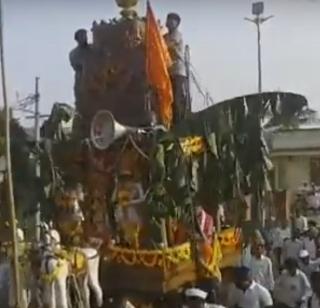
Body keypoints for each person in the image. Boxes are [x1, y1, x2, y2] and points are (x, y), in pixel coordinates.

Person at [164, 13, 189, 124]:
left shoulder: (176, 35)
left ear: (177, 23)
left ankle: (179, 124)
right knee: (169, 99)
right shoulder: (165, 36)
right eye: (168, 19)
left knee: (177, 99)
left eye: (171, 20)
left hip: (178, 72)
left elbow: (167, 45)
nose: (168, 21)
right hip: (168, 72)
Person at [69, 29, 92, 100]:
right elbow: (76, 66)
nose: (84, 37)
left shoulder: (93, 48)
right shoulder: (74, 53)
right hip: (82, 81)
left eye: (85, 35)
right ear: (77, 39)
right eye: (82, 36)